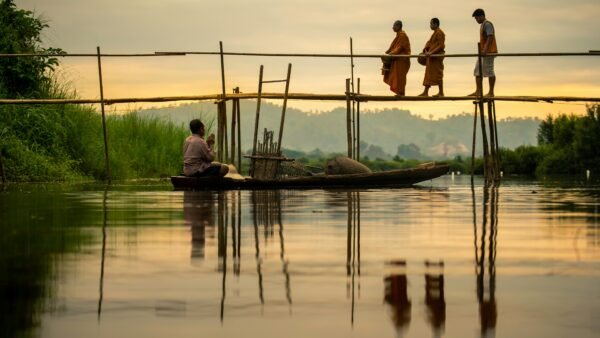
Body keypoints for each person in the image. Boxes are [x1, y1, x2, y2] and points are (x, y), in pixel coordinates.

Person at [469, 8, 497, 97]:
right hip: (483, 52)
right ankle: (478, 91)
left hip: (489, 52)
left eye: (477, 18)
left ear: (482, 16)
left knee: (489, 71)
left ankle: (491, 92)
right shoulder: (483, 25)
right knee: (477, 71)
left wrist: (485, 49)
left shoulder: (487, 24)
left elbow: (490, 36)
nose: (476, 20)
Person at [383, 20, 411, 96]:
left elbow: (400, 47)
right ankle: (399, 92)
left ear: (399, 26)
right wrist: (389, 52)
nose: (393, 27)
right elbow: (394, 46)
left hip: (402, 59)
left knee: (400, 76)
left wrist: (391, 54)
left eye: (394, 25)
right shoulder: (398, 35)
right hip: (398, 59)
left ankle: (401, 92)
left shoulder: (402, 35)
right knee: (397, 76)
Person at [419, 18, 445, 97]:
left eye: (431, 24)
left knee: (438, 74)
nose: (430, 25)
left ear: (436, 24)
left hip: (436, 56)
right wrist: (426, 51)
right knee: (428, 74)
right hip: (431, 57)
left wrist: (431, 52)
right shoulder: (435, 33)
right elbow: (430, 43)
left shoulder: (440, 33)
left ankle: (441, 92)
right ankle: (425, 92)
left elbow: (441, 45)